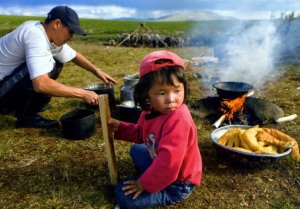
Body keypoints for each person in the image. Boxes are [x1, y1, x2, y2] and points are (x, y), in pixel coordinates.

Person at [109, 50, 202, 209]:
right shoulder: (151, 111)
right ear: (147, 94)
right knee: (137, 149)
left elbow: (169, 165)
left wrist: (142, 184)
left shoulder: (179, 119)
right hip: (163, 162)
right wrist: (120, 128)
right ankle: (155, 176)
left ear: (184, 88)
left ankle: (166, 190)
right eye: (161, 93)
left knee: (123, 195)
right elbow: (141, 133)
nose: (171, 99)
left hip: (178, 182)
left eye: (177, 90)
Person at [0, 5, 116, 128]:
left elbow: (74, 55)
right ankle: (27, 117)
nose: (71, 38)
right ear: (57, 24)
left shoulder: (45, 33)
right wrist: (83, 93)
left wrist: (96, 71)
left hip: (7, 84)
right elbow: (41, 84)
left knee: (54, 61)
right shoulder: (35, 36)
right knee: (43, 68)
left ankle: (27, 105)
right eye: (70, 32)